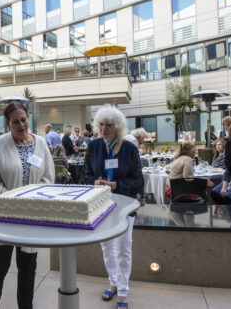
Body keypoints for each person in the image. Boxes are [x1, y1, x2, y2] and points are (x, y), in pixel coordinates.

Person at [0, 101, 54, 309]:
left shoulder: (40, 143)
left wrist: (30, 201)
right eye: (15, 122)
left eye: (23, 120)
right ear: (8, 124)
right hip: (3, 216)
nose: (21, 125)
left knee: (28, 270)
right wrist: (14, 203)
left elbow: (48, 178)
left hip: (30, 218)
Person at [82, 104, 142, 309]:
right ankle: (113, 282)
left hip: (124, 206)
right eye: (101, 124)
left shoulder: (129, 148)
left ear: (118, 127)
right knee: (107, 247)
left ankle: (123, 292)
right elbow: (85, 175)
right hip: (101, 205)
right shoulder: (94, 146)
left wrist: (116, 185)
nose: (105, 128)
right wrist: (94, 182)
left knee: (124, 248)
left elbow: (138, 182)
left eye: (109, 124)